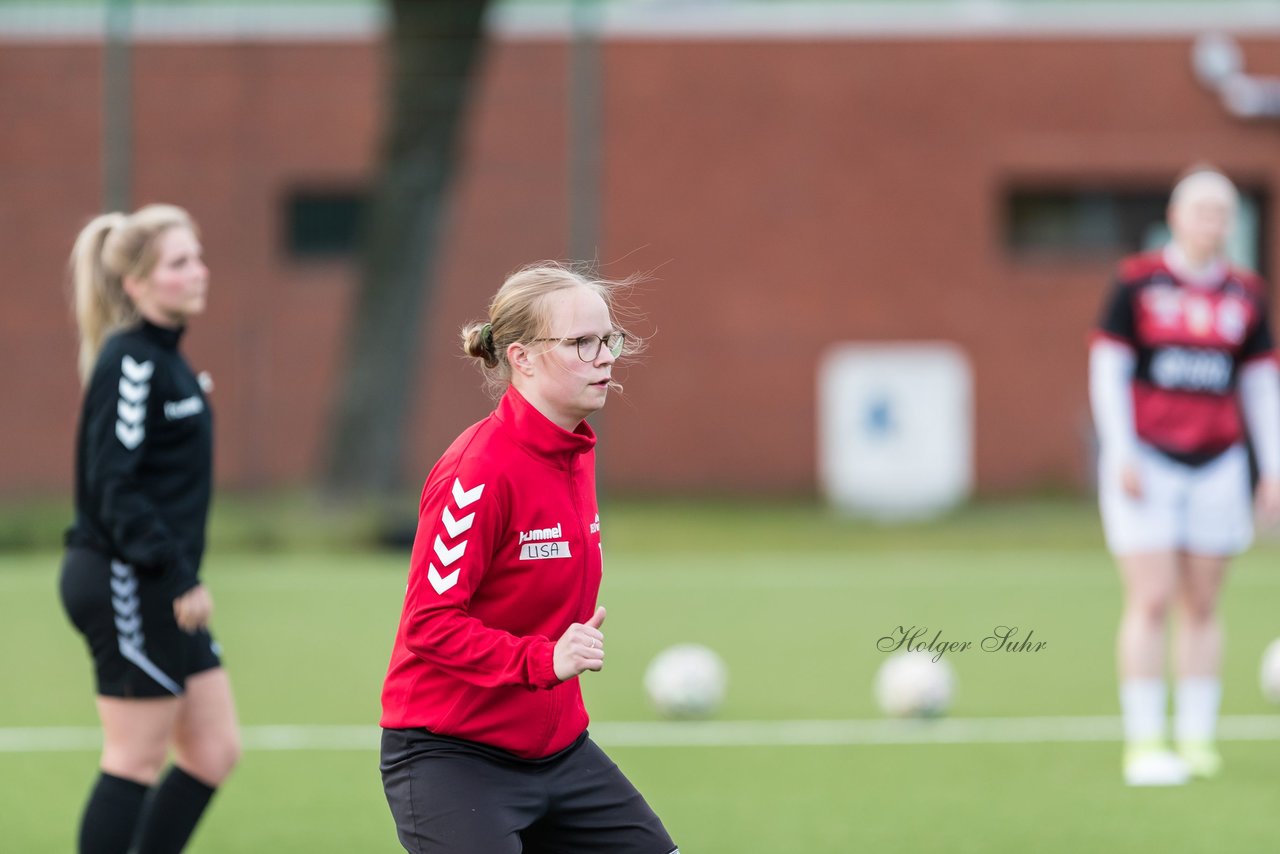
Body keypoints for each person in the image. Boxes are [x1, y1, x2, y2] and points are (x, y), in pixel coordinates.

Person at [380, 263, 678, 853]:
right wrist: (544, 660)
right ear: (522, 357)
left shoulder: (575, 452)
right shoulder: (477, 472)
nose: (605, 357)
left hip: (560, 753)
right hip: (452, 757)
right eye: (581, 343)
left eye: (608, 339)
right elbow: (429, 624)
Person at [59, 205, 241, 852]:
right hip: (124, 579)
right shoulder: (130, 361)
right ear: (135, 284)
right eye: (179, 262)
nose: (199, 271)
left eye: (197, 256)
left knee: (214, 750)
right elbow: (115, 484)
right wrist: (176, 575)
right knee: (134, 760)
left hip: (159, 581)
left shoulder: (168, 361)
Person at [1090, 168, 1280, 786]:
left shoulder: (1246, 294)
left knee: (1202, 602)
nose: (1211, 223)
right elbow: (1109, 369)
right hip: (1147, 461)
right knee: (1149, 598)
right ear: (1175, 216)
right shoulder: (1137, 283)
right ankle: (1144, 742)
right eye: (1200, 211)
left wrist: (1271, 466)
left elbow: (1258, 385)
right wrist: (1120, 449)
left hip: (1217, 464)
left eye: (1222, 213)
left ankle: (1196, 739)